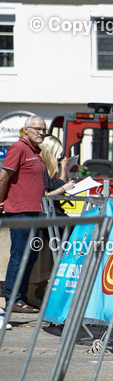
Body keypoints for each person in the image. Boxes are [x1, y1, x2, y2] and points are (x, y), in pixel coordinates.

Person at [0, 115, 47, 314]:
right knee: (19, 255)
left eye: (44, 130)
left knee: (31, 256)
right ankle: (12, 299)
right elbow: (3, 177)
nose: (41, 132)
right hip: (20, 211)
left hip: (34, 212)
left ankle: (21, 297)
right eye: (37, 129)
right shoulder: (19, 148)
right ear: (25, 129)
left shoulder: (36, 151)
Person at [40, 135, 76, 215]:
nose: (58, 158)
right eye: (57, 154)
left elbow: (57, 184)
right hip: (50, 215)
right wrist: (64, 167)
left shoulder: (46, 170)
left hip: (54, 212)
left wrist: (68, 170)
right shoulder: (42, 169)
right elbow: (44, 196)